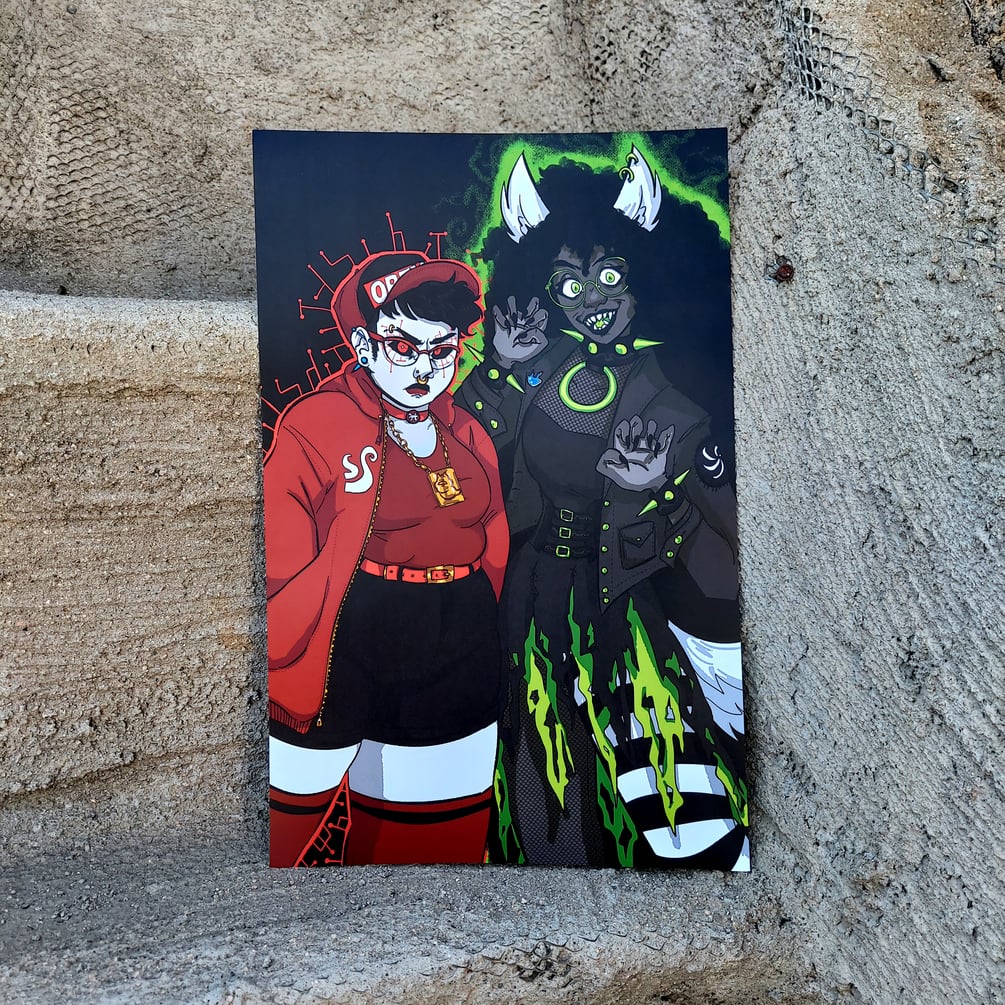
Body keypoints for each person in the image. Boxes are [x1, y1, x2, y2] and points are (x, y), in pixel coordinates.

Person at [457, 147, 748, 869]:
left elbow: (716, 520)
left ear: (644, 275)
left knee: (673, 792)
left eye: (609, 275)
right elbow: (464, 453)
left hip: (625, 601)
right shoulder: (534, 363)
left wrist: (654, 486)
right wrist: (498, 363)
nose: (592, 297)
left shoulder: (678, 388)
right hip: (530, 599)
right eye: (568, 284)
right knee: (540, 767)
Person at [265, 249, 509, 867]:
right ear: (362, 345)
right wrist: (295, 644)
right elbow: (282, 551)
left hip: (458, 637)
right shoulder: (318, 423)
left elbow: (494, 539)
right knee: (289, 829)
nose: (425, 367)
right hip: (346, 634)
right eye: (403, 346)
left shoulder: (467, 432)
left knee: (433, 845)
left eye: (442, 350)